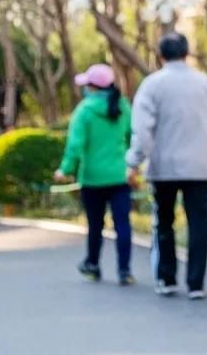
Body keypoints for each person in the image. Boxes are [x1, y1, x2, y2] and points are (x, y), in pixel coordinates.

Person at [126, 33, 207, 300]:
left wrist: (133, 162)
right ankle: (196, 284)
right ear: (187, 53)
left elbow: (143, 132)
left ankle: (166, 278)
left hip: (163, 168)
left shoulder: (151, 85)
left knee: (164, 223)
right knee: (199, 225)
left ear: (160, 56)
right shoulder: (206, 83)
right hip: (199, 167)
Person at [55, 64, 134, 285]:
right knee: (123, 224)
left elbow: (75, 144)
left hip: (92, 178)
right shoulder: (124, 107)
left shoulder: (84, 110)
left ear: (92, 86)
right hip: (119, 176)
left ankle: (93, 264)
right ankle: (124, 270)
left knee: (95, 225)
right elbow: (132, 138)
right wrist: (132, 165)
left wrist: (65, 169)